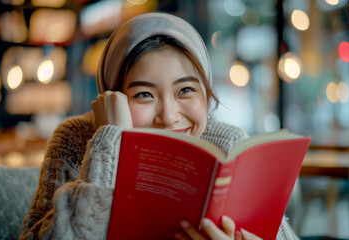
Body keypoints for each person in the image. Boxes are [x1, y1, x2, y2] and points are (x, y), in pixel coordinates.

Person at [20, 13, 298, 240]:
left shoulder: (227, 144)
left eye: (186, 90)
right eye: (144, 94)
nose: (168, 116)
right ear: (112, 96)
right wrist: (109, 143)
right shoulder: (76, 138)